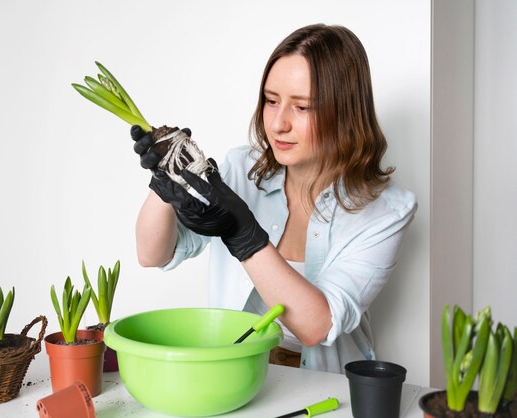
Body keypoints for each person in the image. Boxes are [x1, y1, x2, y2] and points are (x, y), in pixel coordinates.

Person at [131, 23, 417, 373]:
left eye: (302, 107)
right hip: (236, 375)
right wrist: (166, 177)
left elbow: (317, 325)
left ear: (344, 113)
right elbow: (152, 254)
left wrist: (242, 232)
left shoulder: (385, 212)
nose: (279, 123)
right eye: (271, 100)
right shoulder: (241, 169)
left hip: (326, 389)